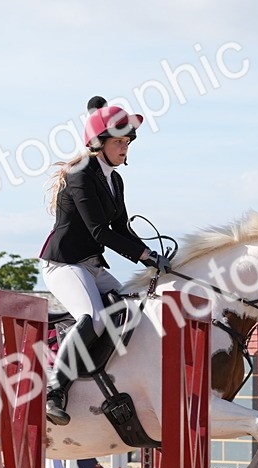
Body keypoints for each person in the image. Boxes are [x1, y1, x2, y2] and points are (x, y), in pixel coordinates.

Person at [38, 96, 169, 425]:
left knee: (130, 307)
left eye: (127, 142)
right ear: (99, 143)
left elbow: (122, 228)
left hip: (92, 267)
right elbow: (100, 231)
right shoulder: (80, 175)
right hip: (64, 263)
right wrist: (142, 255)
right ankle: (55, 389)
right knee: (94, 317)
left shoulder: (115, 179)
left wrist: (153, 260)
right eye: (119, 142)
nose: (125, 148)